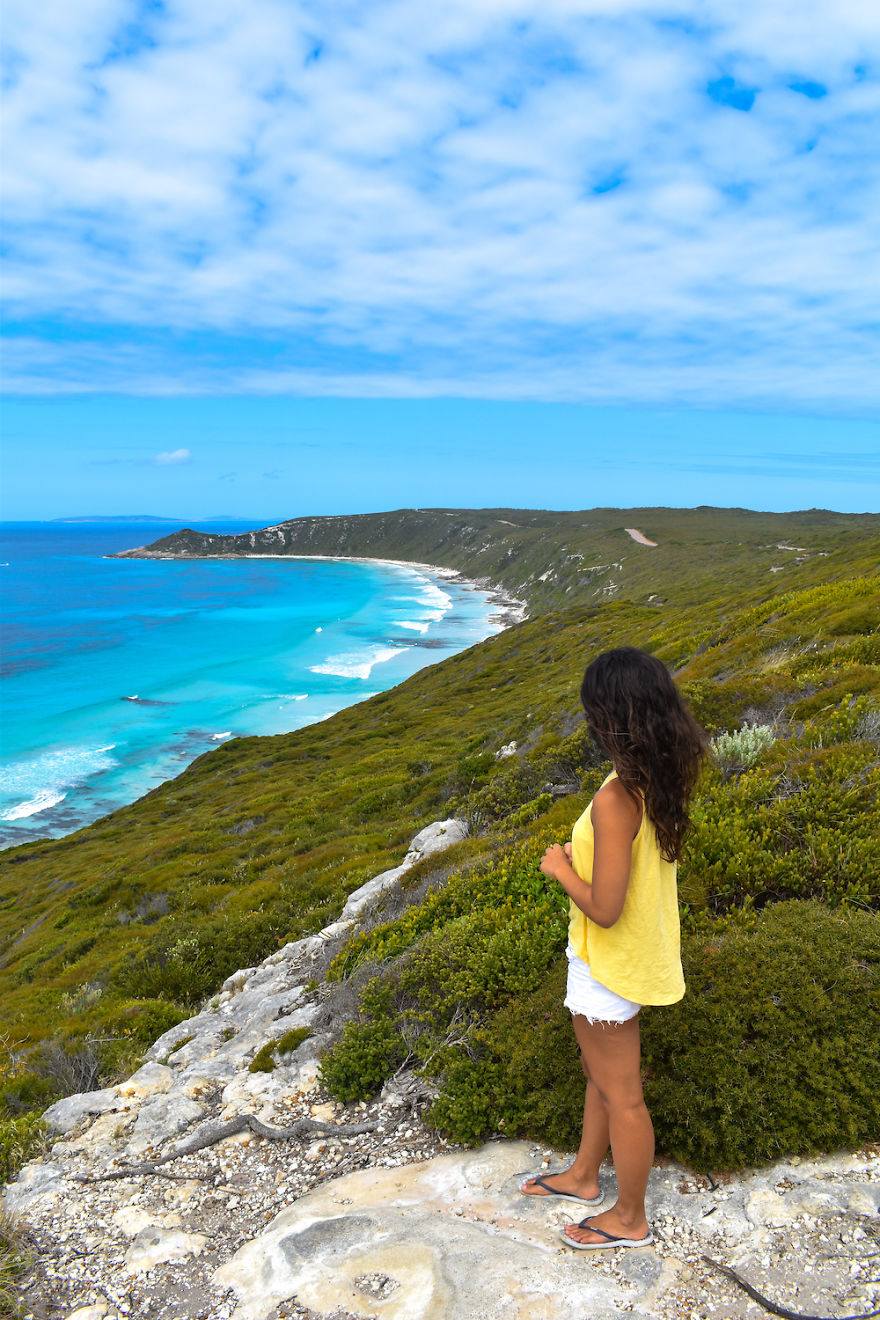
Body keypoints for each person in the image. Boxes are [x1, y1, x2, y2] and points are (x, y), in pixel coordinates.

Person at [520, 646, 706, 1250]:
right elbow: (627, 868)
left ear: (613, 716)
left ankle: (629, 1218)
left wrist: (560, 869)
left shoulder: (613, 797)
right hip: (624, 957)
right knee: (599, 1077)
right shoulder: (658, 775)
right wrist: (590, 863)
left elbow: (604, 906)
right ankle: (581, 1176)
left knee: (623, 1096)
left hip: (609, 962)